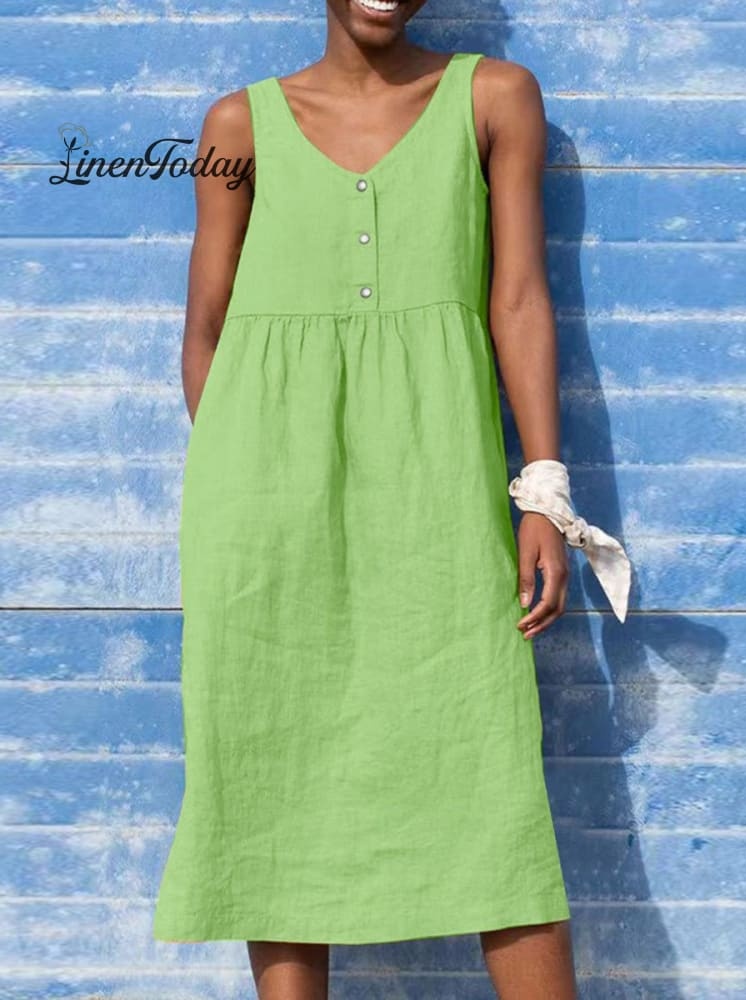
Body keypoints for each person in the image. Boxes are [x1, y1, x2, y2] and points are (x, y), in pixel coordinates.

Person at [151, 2, 598, 997]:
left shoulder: (494, 98)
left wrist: (544, 490)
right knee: (272, 766)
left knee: (486, 770)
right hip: (262, 511)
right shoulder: (237, 124)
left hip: (441, 495)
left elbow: (519, 298)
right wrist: (252, 479)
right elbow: (205, 330)